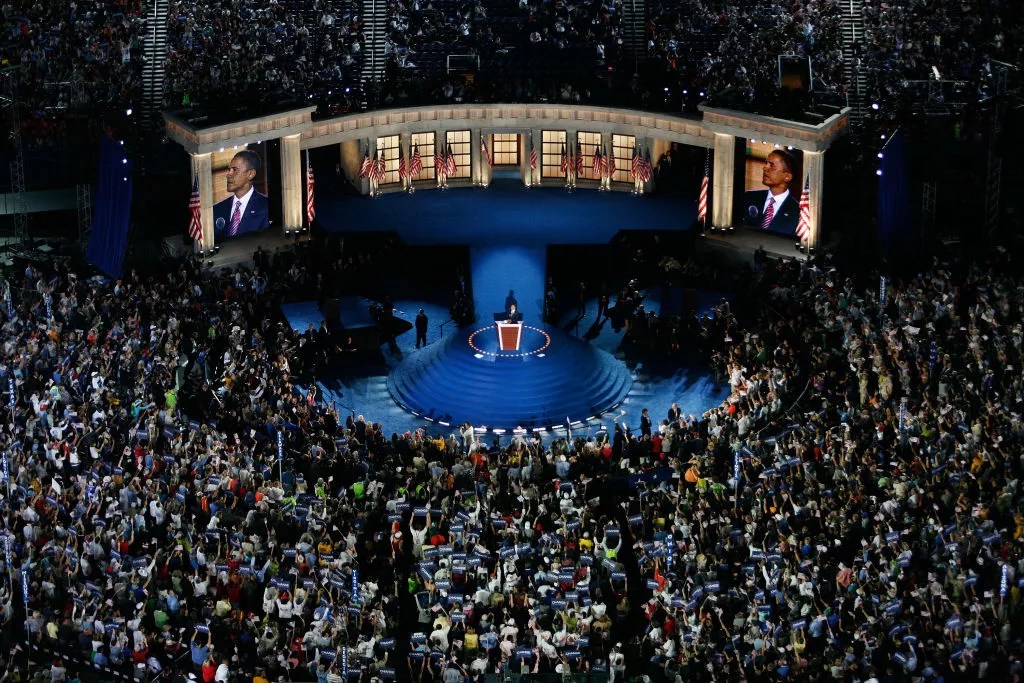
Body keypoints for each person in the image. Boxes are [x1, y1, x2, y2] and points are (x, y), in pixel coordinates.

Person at [741, 150, 800, 235]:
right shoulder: (749, 197)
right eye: (766, 163)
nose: (765, 168)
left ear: (787, 177)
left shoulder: (798, 212)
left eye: (771, 165)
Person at [213, 149, 269, 238]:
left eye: (235, 170)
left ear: (251, 174)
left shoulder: (266, 207)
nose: (229, 174)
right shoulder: (217, 209)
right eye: (229, 169)